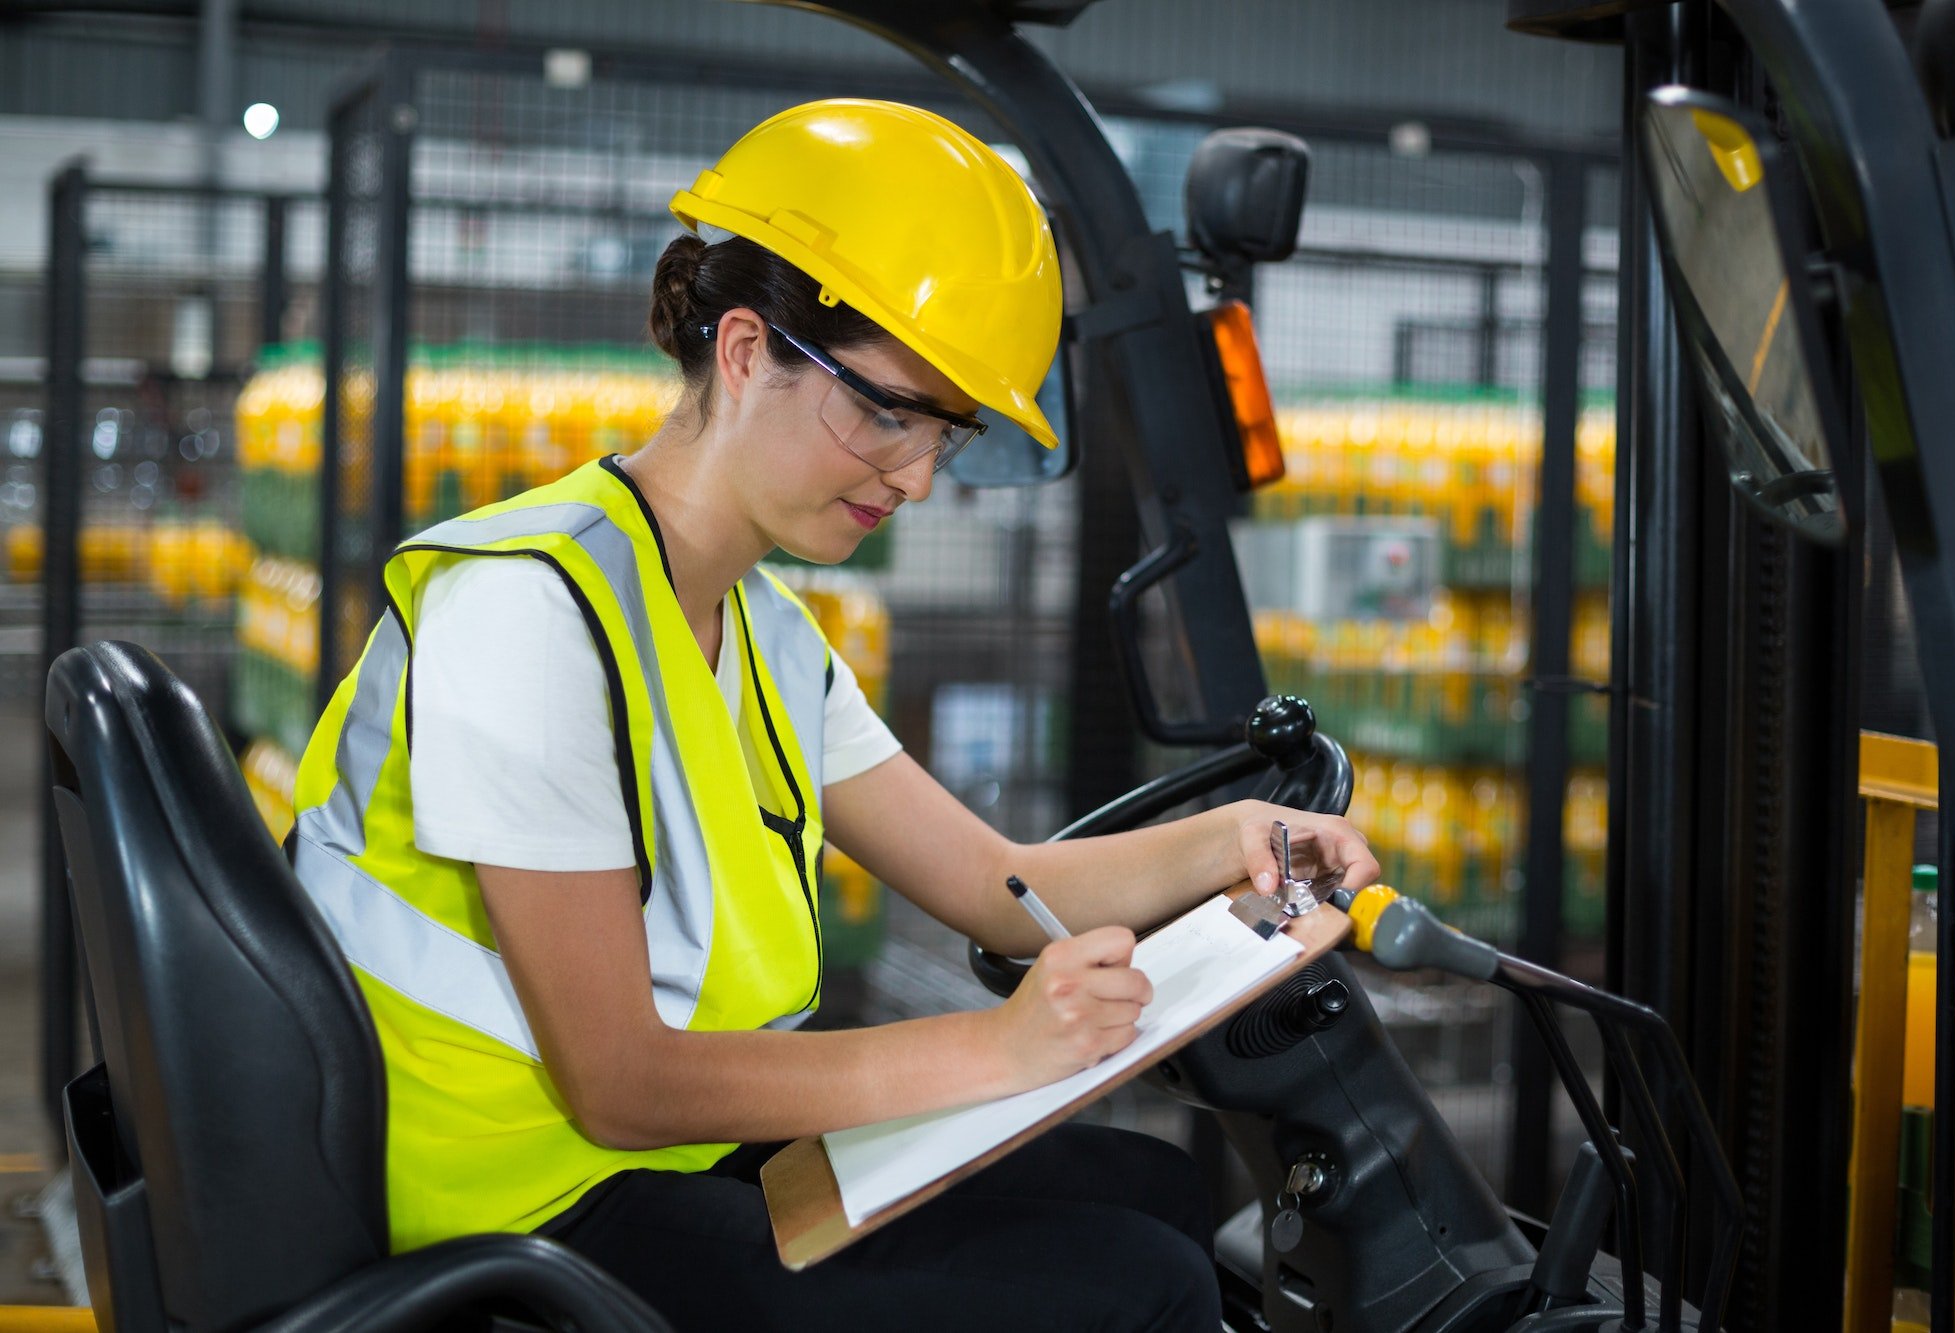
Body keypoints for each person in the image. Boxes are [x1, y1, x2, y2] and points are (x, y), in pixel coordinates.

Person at [290, 98, 1378, 1332]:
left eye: (943, 433)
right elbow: (617, 1081)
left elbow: (1000, 883)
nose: (915, 476)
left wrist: (1233, 841)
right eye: (885, 412)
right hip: (511, 1216)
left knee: (1157, 1192)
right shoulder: (523, 613)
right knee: (1144, 1291)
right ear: (746, 352)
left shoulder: (765, 637)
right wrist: (999, 1052)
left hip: (673, 1162)